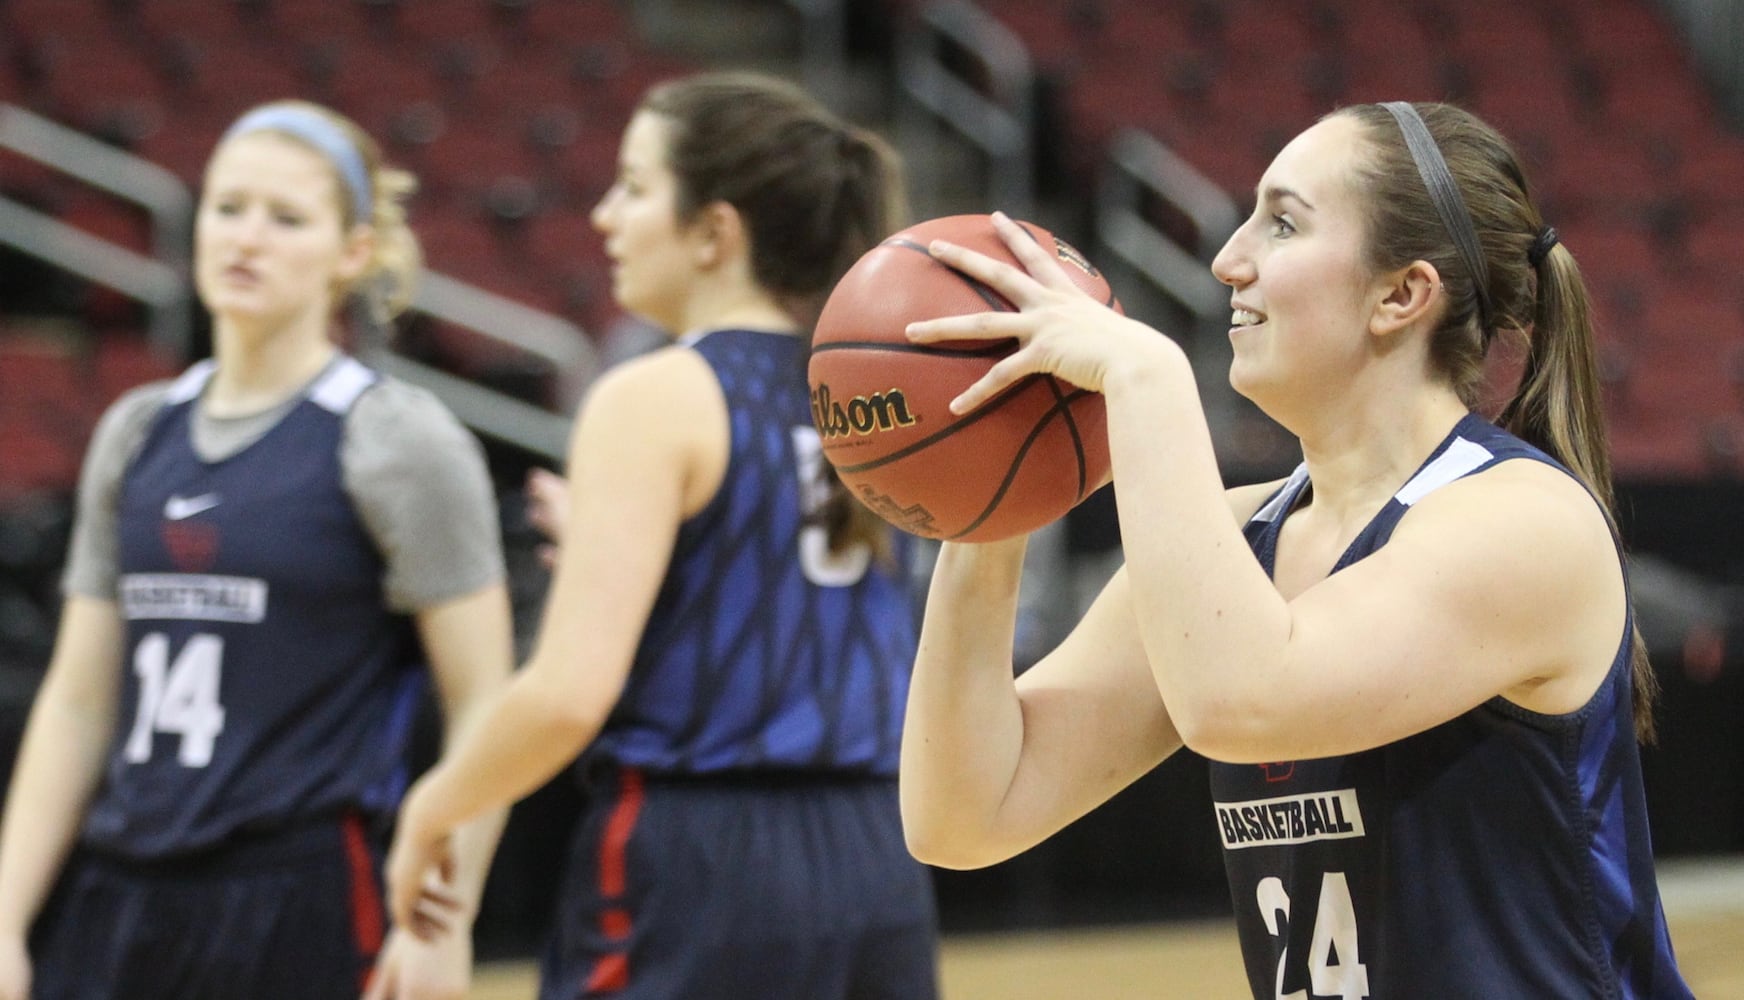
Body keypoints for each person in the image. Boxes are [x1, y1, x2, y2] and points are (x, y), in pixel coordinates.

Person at [899, 101, 1695, 997]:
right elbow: (965, 816)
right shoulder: (1246, 538)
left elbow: (1239, 700)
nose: (1227, 259)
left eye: (1281, 223)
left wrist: (1149, 378)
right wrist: (990, 501)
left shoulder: (1522, 521)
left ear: (1402, 295)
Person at [383, 71, 940, 1000]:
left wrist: (434, 805)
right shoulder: (878, 401)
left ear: (715, 232)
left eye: (635, 187)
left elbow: (566, 697)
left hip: (701, 858)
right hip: (877, 852)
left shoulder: (655, 397)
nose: (604, 215)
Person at [0, 100, 513, 1000]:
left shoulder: (397, 439)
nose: (246, 238)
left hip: (301, 894)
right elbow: (79, 702)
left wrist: (444, 915)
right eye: (227, 208)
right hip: (121, 886)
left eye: (287, 219)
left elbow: (485, 706)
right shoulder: (136, 431)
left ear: (352, 253)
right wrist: (4, 916)